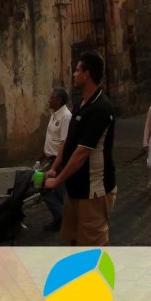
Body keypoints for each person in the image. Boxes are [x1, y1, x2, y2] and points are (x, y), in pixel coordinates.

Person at [44, 52, 117, 246]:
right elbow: (69, 141)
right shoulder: (81, 103)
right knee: (75, 239)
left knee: (94, 243)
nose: (74, 74)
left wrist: (57, 180)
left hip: (93, 189)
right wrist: (54, 167)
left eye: (77, 70)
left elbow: (82, 152)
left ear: (86, 74)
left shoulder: (101, 108)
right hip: (76, 189)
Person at [40, 87, 72, 232]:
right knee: (55, 191)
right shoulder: (54, 114)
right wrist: (43, 154)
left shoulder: (66, 116)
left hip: (58, 161)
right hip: (51, 158)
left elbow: (64, 143)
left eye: (52, 98)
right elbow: (52, 138)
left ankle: (64, 217)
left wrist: (54, 167)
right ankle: (61, 218)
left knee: (52, 189)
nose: (49, 100)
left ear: (58, 100)